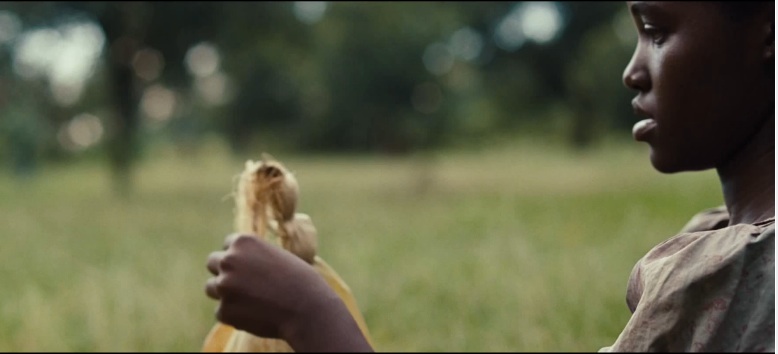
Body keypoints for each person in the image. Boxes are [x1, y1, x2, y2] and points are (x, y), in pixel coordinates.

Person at [204, 1, 775, 352]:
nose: (631, 71)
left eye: (656, 30)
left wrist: (310, 316)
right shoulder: (724, 238)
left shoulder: (740, 276)